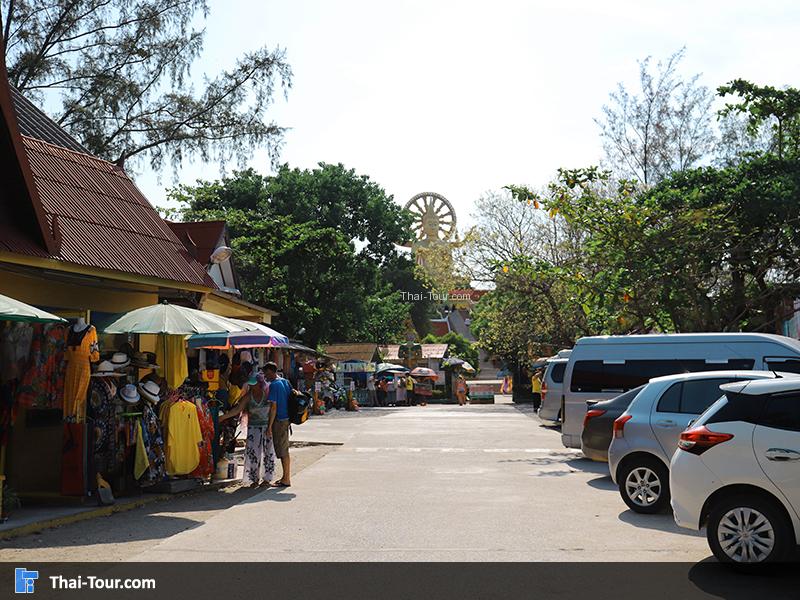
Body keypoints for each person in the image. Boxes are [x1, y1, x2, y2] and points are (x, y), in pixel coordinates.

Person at [219, 372, 276, 487]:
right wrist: (223, 417)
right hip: (253, 428)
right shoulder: (248, 396)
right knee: (252, 453)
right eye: (250, 384)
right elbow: (237, 409)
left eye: (254, 384)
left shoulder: (267, 394)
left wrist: (270, 426)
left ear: (260, 384)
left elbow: (273, 410)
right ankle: (253, 479)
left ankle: (267, 479)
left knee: (268, 453)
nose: (252, 386)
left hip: (266, 427)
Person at [265, 361, 293, 487]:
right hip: (287, 418)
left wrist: (269, 426)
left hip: (280, 420)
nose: (265, 376)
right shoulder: (285, 382)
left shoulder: (274, 385)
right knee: (284, 449)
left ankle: (286, 478)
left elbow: (273, 407)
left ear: (271, 371)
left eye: (266, 373)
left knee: (282, 450)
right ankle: (285, 477)